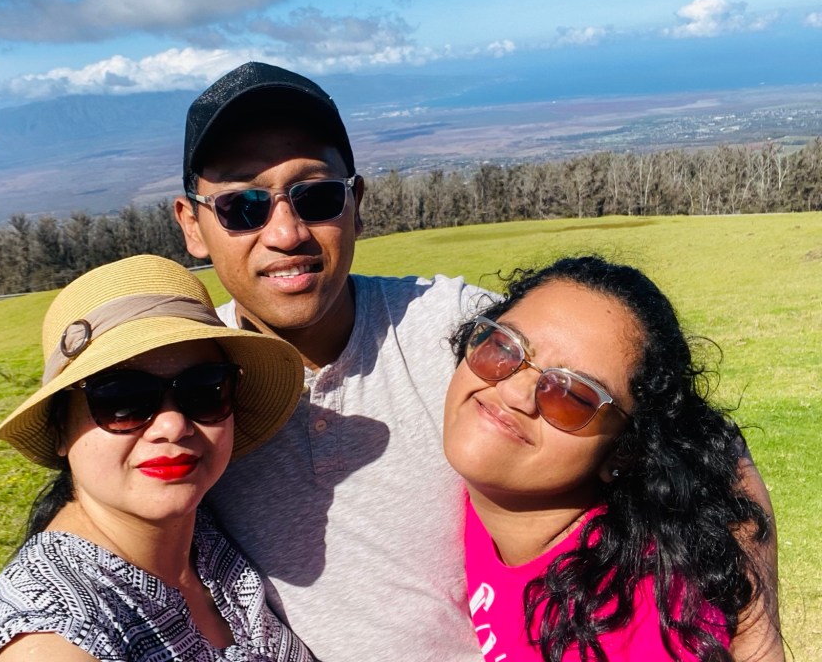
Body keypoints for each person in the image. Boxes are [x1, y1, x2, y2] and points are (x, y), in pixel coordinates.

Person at [173, 62, 780, 661]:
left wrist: (759, 639)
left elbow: (705, 442)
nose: (286, 233)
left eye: (317, 197)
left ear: (354, 203)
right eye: (242, 206)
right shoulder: (183, 386)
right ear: (192, 225)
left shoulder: (461, 327)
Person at [0, 254, 313, 662]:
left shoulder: (204, 539)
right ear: (59, 428)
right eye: (122, 398)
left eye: (204, 389)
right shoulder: (49, 633)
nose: (173, 425)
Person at [443, 255, 782, 661]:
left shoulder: (628, 625)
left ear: (623, 450)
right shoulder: (501, 497)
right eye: (503, 346)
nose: (514, 393)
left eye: (572, 394)